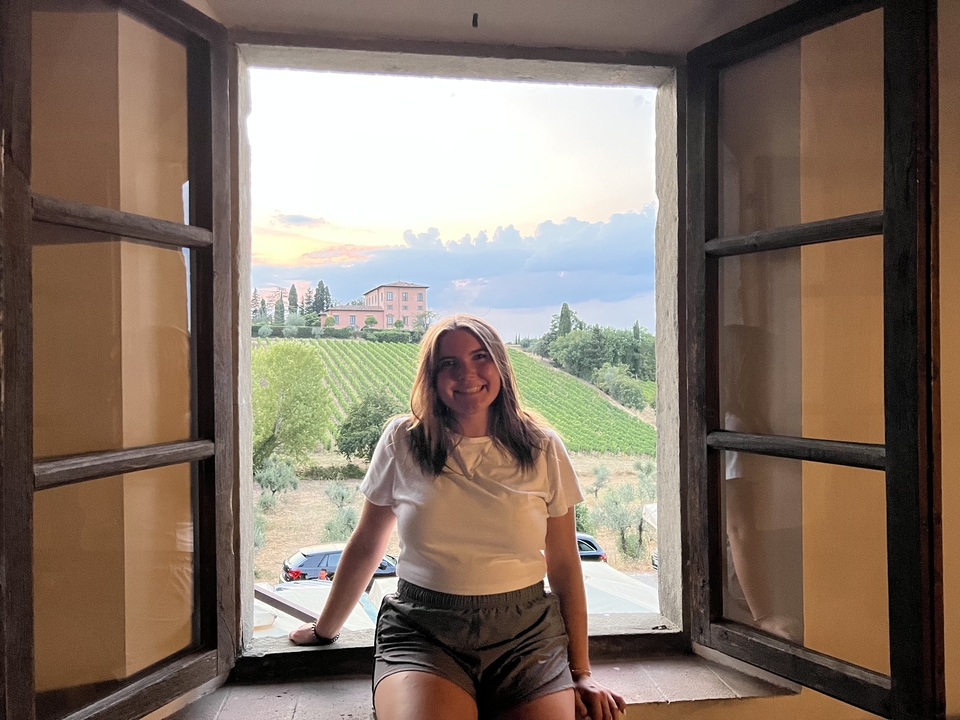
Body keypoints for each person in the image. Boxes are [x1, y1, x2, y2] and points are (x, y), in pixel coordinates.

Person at [289, 315, 626, 720]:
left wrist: (581, 671)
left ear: (500, 364)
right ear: (431, 376)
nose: (466, 373)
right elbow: (367, 543)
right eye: (448, 363)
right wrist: (324, 630)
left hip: (527, 637)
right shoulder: (403, 441)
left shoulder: (543, 448)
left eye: (480, 356)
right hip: (425, 632)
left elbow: (565, 563)